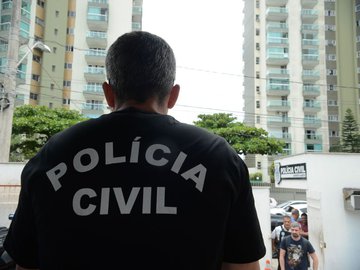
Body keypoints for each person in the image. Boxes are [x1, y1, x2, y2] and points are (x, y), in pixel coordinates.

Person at [4, 31, 266, 270]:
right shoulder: (218, 158)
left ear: (108, 93)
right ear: (173, 95)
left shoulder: (52, 156)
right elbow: (243, 266)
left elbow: (26, 265)